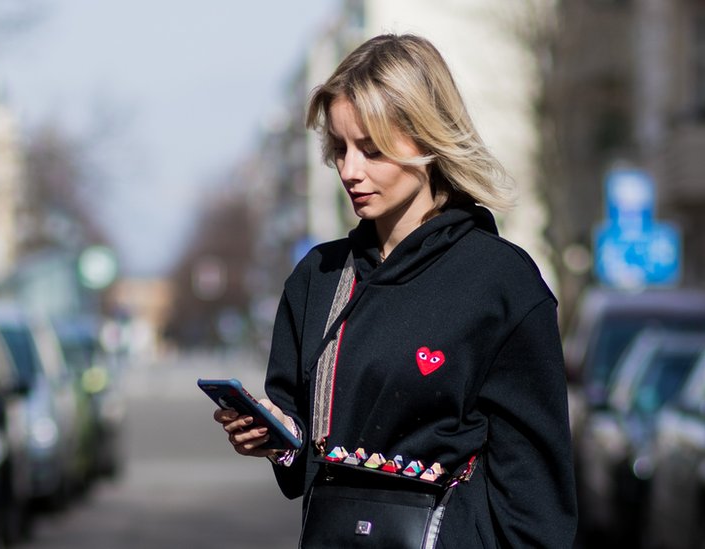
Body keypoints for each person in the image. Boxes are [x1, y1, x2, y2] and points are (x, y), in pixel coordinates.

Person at [213, 33, 577, 547]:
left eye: (372, 149)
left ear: (427, 141)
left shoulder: (502, 284)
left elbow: (536, 500)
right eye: (339, 148)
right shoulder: (317, 278)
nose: (349, 170)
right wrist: (277, 441)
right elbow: (301, 470)